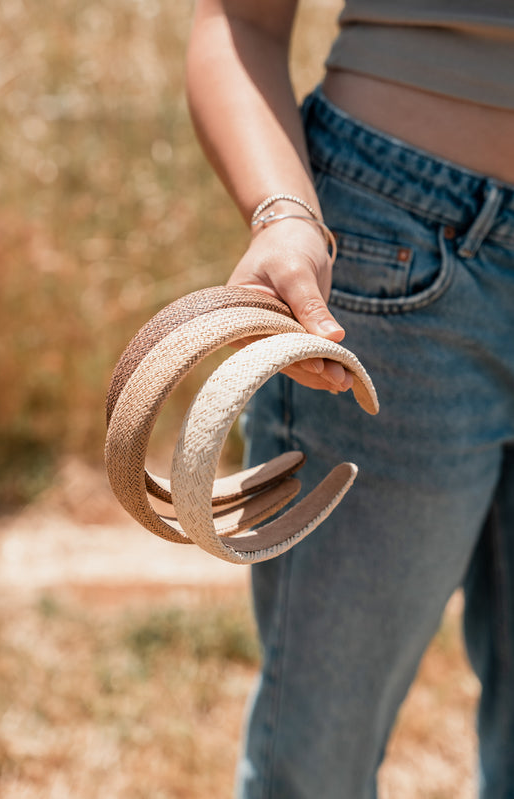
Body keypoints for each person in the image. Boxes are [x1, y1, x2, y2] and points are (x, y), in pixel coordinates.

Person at [185, 2, 514, 797]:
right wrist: (282, 214)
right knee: (320, 751)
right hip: (398, 245)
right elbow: (239, 22)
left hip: (408, 243)